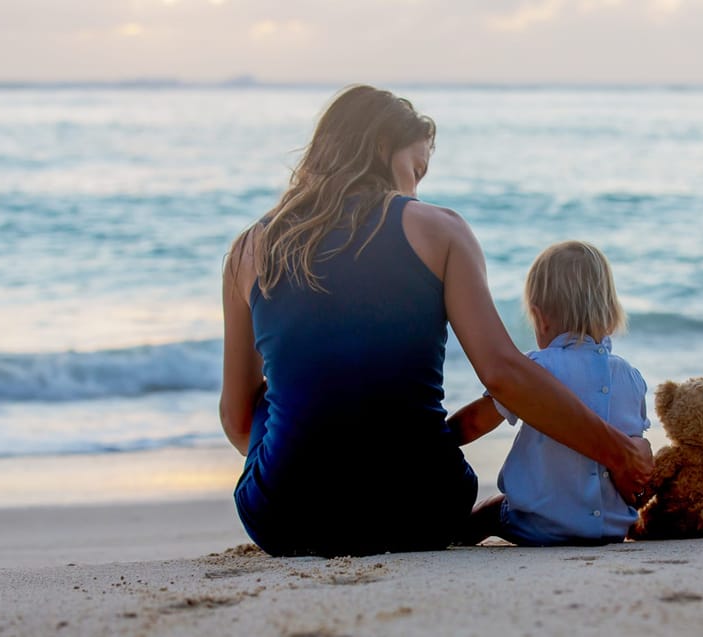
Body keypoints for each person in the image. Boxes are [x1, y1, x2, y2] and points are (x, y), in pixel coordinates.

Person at [219, 84, 652, 557]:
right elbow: (504, 374)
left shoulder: (248, 250)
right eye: (415, 170)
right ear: (383, 148)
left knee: (271, 395)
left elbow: (237, 418)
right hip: (421, 509)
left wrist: (319, 461)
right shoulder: (440, 229)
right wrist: (618, 451)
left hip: (284, 517)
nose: (415, 190)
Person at [449, 240, 650, 546]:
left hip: (537, 525)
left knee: (492, 509)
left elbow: (475, 423)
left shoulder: (535, 369)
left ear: (540, 318)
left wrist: (438, 437)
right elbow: (634, 460)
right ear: (611, 315)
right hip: (609, 527)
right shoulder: (630, 376)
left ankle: (457, 538)